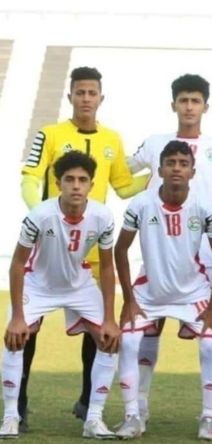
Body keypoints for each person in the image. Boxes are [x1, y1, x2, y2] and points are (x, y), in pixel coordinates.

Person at [18, 66, 144, 427]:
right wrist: (43, 216)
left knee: (97, 327)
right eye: (80, 92)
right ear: (69, 95)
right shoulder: (49, 134)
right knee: (28, 326)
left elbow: (123, 186)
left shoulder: (112, 139)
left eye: (92, 93)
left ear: (101, 98)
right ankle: (19, 404)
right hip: (51, 246)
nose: (86, 98)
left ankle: (88, 402)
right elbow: (29, 178)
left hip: (92, 249)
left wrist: (157, 174)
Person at [126, 73, 212, 424]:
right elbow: (123, 173)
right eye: (183, 100)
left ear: (205, 106)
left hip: (204, 255)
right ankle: (139, 407)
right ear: (173, 104)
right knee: (148, 330)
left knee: (209, 334)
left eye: (195, 101)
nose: (189, 107)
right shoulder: (155, 142)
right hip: (160, 251)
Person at [0, 151, 120, 439]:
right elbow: (17, 264)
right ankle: (11, 417)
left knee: (109, 340)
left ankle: (93, 418)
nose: (76, 186)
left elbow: (107, 266)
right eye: (69, 179)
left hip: (79, 285)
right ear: (58, 184)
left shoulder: (103, 216)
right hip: (38, 285)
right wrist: (17, 317)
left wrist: (110, 318)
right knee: (15, 339)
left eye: (82, 180)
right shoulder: (40, 215)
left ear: (91, 185)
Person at [113, 141, 212, 440]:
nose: (177, 168)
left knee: (210, 346)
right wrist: (129, 300)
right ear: (160, 169)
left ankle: (210, 416)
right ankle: (133, 415)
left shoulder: (204, 207)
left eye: (183, 163)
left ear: (192, 171)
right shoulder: (141, 204)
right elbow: (120, 249)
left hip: (193, 293)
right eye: (171, 163)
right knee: (128, 344)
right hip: (148, 293)